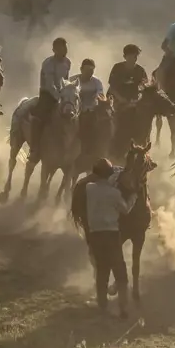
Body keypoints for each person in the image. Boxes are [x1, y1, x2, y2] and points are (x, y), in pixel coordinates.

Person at [83, 158, 136, 318]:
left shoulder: (89, 188)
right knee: (120, 272)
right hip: (111, 234)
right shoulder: (114, 193)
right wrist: (133, 198)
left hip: (95, 235)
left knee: (102, 271)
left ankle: (102, 307)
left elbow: (94, 184)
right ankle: (123, 308)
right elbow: (125, 210)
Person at [29, 37, 71, 163]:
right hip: (47, 94)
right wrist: (58, 97)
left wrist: (66, 94)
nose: (63, 50)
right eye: (60, 48)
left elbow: (66, 81)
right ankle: (34, 149)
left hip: (62, 94)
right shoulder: (48, 63)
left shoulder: (67, 62)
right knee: (39, 118)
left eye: (65, 47)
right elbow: (49, 84)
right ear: (54, 50)